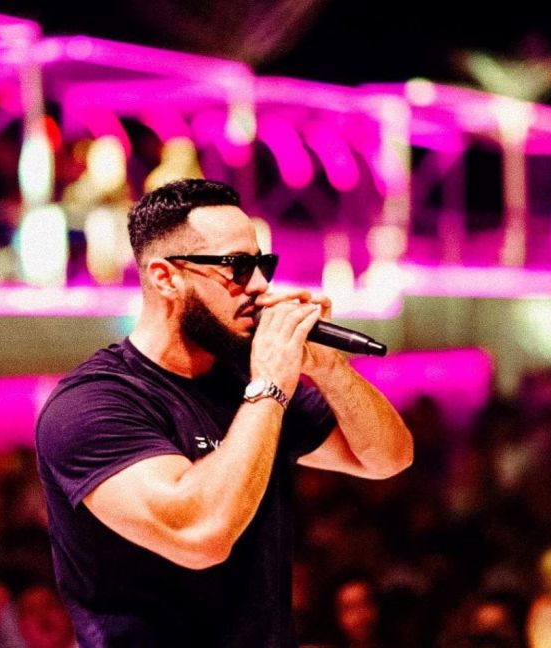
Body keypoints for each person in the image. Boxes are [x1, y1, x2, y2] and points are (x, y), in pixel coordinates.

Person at [35, 178, 413, 646]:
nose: (259, 286)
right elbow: (201, 535)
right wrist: (270, 384)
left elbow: (388, 458)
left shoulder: (242, 380)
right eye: (236, 267)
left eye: (261, 264)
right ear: (165, 277)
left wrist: (329, 367)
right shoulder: (93, 403)